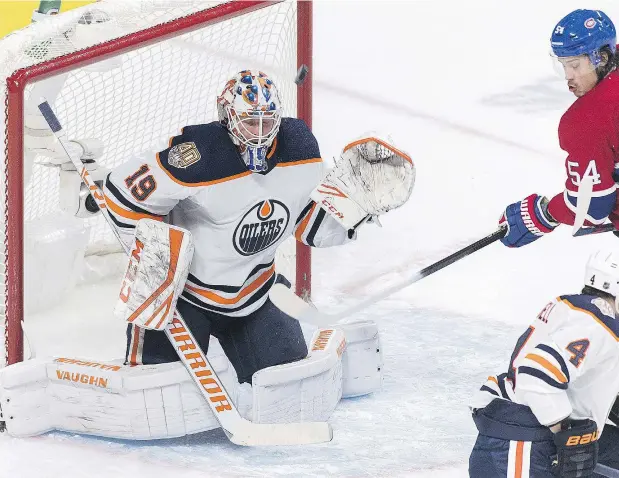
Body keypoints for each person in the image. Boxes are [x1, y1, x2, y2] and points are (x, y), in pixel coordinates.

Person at [0, 70, 413, 440]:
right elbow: (122, 195)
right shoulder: (197, 154)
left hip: (254, 295)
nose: (261, 130)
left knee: (286, 382)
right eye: (250, 120)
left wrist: (355, 216)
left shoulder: (299, 147)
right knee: (154, 395)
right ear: (227, 115)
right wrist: (157, 251)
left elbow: (306, 226)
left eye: (268, 120)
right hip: (183, 301)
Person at [468, 249, 619, 478]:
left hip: (531, 446)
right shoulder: (597, 323)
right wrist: (567, 436)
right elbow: (535, 375)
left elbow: (588, 377)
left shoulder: (578, 309)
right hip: (521, 449)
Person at [498, 9, 619, 248]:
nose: (568, 77)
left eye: (575, 65)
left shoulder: (588, 120)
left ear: (602, 58)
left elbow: (590, 208)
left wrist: (543, 214)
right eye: (562, 65)